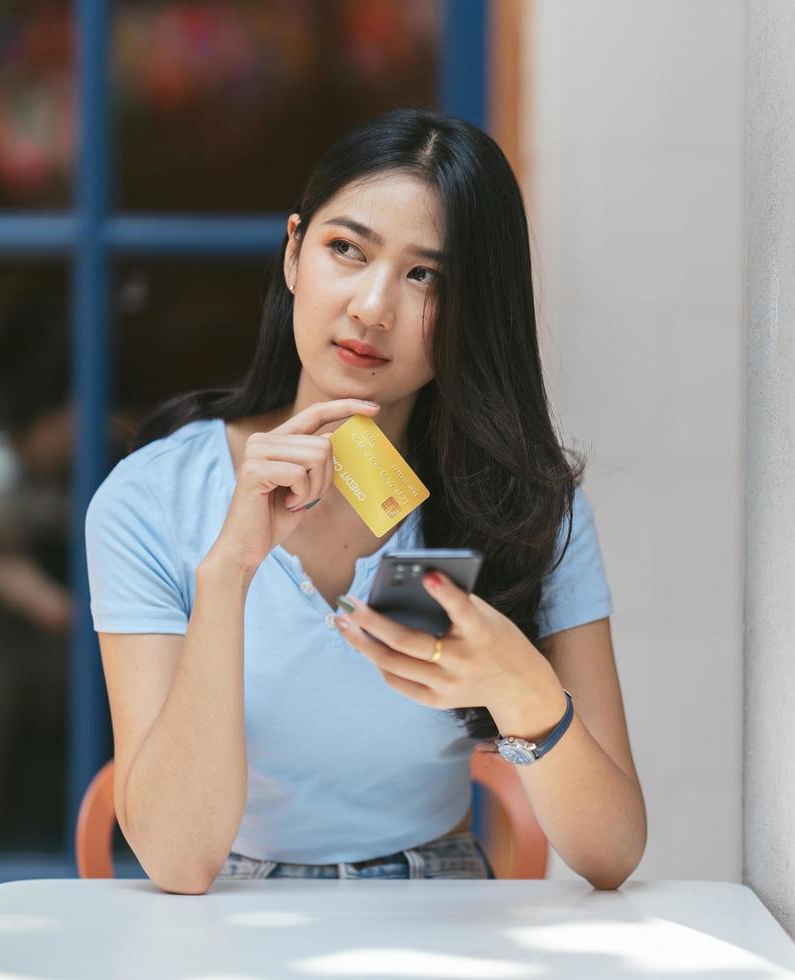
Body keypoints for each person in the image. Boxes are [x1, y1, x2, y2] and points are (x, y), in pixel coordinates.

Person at [84, 107, 645, 893]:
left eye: (428, 276)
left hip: (436, 905)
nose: (373, 307)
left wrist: (524, 692)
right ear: (292, 254)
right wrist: (229, 571)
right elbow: (179, 862)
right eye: (346, 249)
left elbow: (612, 853)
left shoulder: (522, 506)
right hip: (224, 911)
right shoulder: (151, 500)